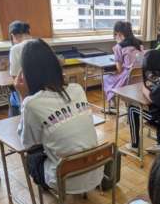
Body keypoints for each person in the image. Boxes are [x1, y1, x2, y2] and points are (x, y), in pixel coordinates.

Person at [16, 39, 103, 193]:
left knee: (31, 157)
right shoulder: (77, 89)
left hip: (65, 180)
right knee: (54, 140)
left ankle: (46, 188)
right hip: (96, 171)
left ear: (27, 74)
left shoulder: (31, 103)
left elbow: (27, 143)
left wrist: (23, 96)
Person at [103, 21, 143, 110]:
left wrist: (117, 61)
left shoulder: (119, 47)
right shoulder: (139, 44)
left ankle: (113, 105)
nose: (115, 37)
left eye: (115, 34)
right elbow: (140, 61)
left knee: (106, 77)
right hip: (140, 78)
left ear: (119, 34)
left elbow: (119, 69)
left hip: (127, 79)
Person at [8, 20, 33, 116]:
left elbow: (15, 77)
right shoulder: (42, 43)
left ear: (13, 36)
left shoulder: (16, 49)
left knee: (13, 100)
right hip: (46, 89)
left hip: (28, 91)